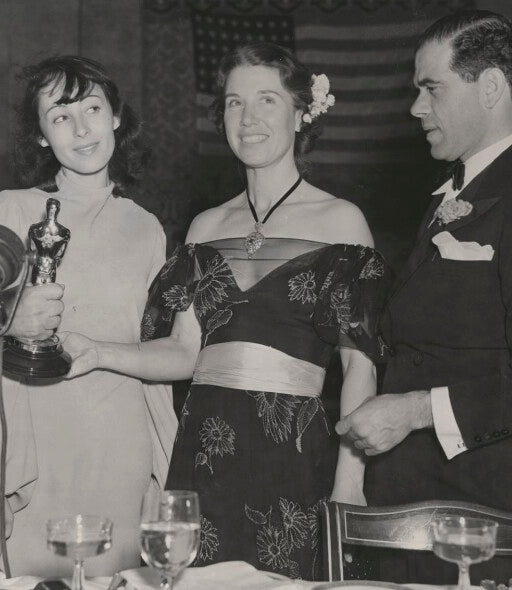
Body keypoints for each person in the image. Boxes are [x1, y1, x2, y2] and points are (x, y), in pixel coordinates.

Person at [62, 42, 388, 580]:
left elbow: (360, 368)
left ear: (301, 113)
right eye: (235, 103)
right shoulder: (205, 227)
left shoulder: (342, 222)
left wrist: (349, 483)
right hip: (203, 456)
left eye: (267, 100)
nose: (249, 118)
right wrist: (97, 352)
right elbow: (186, 353)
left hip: (293, 456)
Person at [336, 10, 512, 586]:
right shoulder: (447, 196)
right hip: (410, 515)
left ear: (490, 88)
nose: (415, 108)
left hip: (484, 530)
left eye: (431, 89)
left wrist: (411, 410)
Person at [0, 56, 177, 579]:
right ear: (42, 136)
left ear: (117, 117)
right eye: (60, 116)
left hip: (119, 440)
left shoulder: (148, 228)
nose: (81, 128)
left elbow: (163, 348)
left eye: (93, 108)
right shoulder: (11, 210)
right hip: (33, 445)